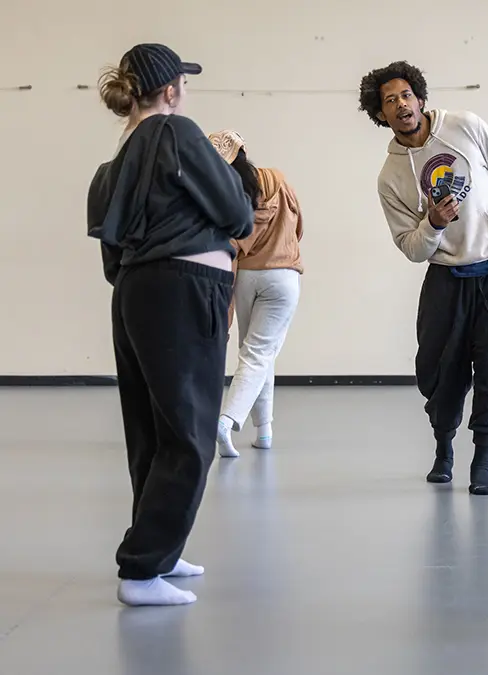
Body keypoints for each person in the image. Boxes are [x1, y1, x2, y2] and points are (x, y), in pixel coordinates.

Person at [87, 44, 255, 606]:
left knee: (152, 431)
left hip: (136, 294)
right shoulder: (178, 135)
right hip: (186, 291)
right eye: (185, 82)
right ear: (169, 90)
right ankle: (141, 571)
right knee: (188, 435)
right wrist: (233, 166)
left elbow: (112, 259)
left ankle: (156, 547)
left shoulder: (109, 171)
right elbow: (237, 214)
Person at [358, 61, 488, 496]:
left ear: (419, 98)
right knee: (440, 367)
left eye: (405, 95)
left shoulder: (466, 126)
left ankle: (483, 460)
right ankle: (443, 448)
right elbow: (413, 250)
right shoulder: (390, 178)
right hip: (447, 274)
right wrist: (432, 224)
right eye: (389, 102)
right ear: (381, 116)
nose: (400, 105)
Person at [207, 130, 304, 458]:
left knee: (256, 354)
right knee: (260, 353)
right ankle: (227, 419)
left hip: (246, 277)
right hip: (283, 276)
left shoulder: (228, 196)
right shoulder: (278, 180)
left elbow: (228, 242)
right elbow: (299, 224)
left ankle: (264, 430)